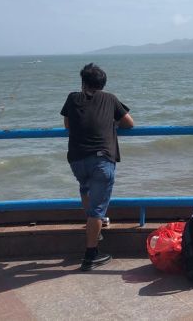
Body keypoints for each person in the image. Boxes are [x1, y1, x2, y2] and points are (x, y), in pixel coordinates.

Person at [61, 63, 134, 271]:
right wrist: (112, 124)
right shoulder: (110, 98)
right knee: (98, 211)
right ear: (103, 83)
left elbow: (67, 125)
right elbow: (130, 123)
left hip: (76, 159)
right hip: (101, 159)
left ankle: (95, 229)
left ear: (83, 83)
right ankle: (91, 255)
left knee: (85, 189)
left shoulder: (72, 97)